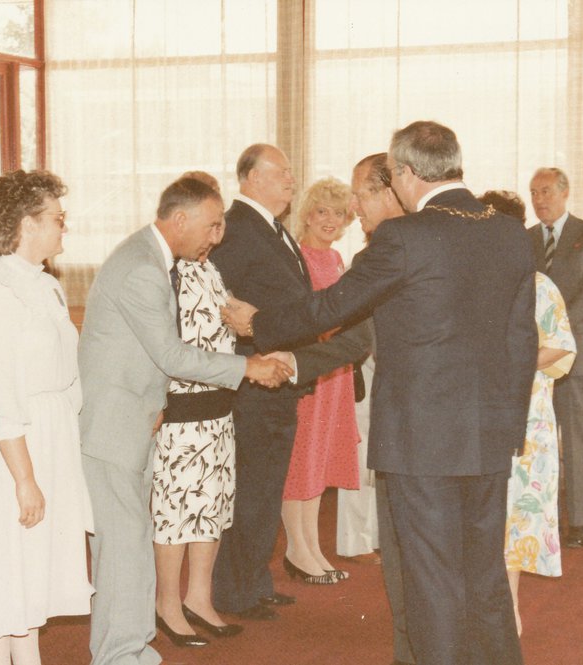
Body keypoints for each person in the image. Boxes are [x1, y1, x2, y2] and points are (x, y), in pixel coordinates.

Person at [225, 121, 537, 665]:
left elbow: (331, 307)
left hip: (421, 442)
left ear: (405, 174)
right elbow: (522, 338)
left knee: (431, 579)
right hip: (490, 437)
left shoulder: (407, 236)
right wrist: (508, 428)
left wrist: (260, 324)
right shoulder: (508, 231)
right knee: (484, 574)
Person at [78, 176, 292, 665]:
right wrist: (249, 367)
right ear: (181, 220)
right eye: (212, 224)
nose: (217, 236)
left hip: (137, 418)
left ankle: (130, 650)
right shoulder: (142, 269)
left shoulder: (151, 258)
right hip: (115, 426)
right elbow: (173, 355)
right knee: (123, 549)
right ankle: (117, 654)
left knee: (129, 546)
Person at [209, 144, 372, 620]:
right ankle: (235, 591)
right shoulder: (238, 227)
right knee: (253, 489)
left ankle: (255, 582)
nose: (290, 179)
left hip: (280, 378)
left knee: (266, 487)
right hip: (254, 378)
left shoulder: (271, 228)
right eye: (280, 171)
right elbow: (221, 298)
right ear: (249, 177)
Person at [0, 170, 94, 663]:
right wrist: (25, 478)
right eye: (57, 219)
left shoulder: (45, 287)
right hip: (17, 452)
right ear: (26, 223)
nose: (64, 228)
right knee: (4, 576)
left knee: (32, 573)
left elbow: (67, 373)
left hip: (51, 438)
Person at [151, 170, 244, 647]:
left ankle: (199, 597)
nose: (217, 236)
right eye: (211, 225)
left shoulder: (208, 268)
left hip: (217, 406)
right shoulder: (163, 269)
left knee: (211, 505)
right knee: (176, 510)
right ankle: (167, 602)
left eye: (220, 225)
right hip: (181, 408)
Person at [482, 190, 577, 635]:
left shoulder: (539, 284)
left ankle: (509, 613)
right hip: (475, 414)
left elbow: (560, 344)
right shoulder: (470, 280)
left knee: (514, 517)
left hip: (526, 419)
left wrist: (514, 361)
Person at [344, 152, 415, 665]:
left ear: (391, 193)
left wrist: (265, 330)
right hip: (434, 427)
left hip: (411, 427)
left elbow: (333, 318)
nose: (353, 206)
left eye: (361, 194)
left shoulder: (391, 250)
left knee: (410, 558)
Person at [281, 177, 360, 585]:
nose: (330, 220)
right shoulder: (299, 258)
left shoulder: (338, 259)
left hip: (338, 373)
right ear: (307, 214)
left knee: (321, 457)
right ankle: (297, 548)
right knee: (302, 458)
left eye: (339, 212)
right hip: (312, 369)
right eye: (322, 211)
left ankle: (312, 545)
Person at [528, 167, 583, 548]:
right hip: (532, 358)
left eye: (545, 191)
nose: (539, 199)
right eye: (533, 192)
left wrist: (553, 329)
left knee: (577, 441)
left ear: (564, 193)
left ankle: (577, 523)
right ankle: (538, 515)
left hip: (577, 353)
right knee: (534, 441)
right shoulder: (524, 239)